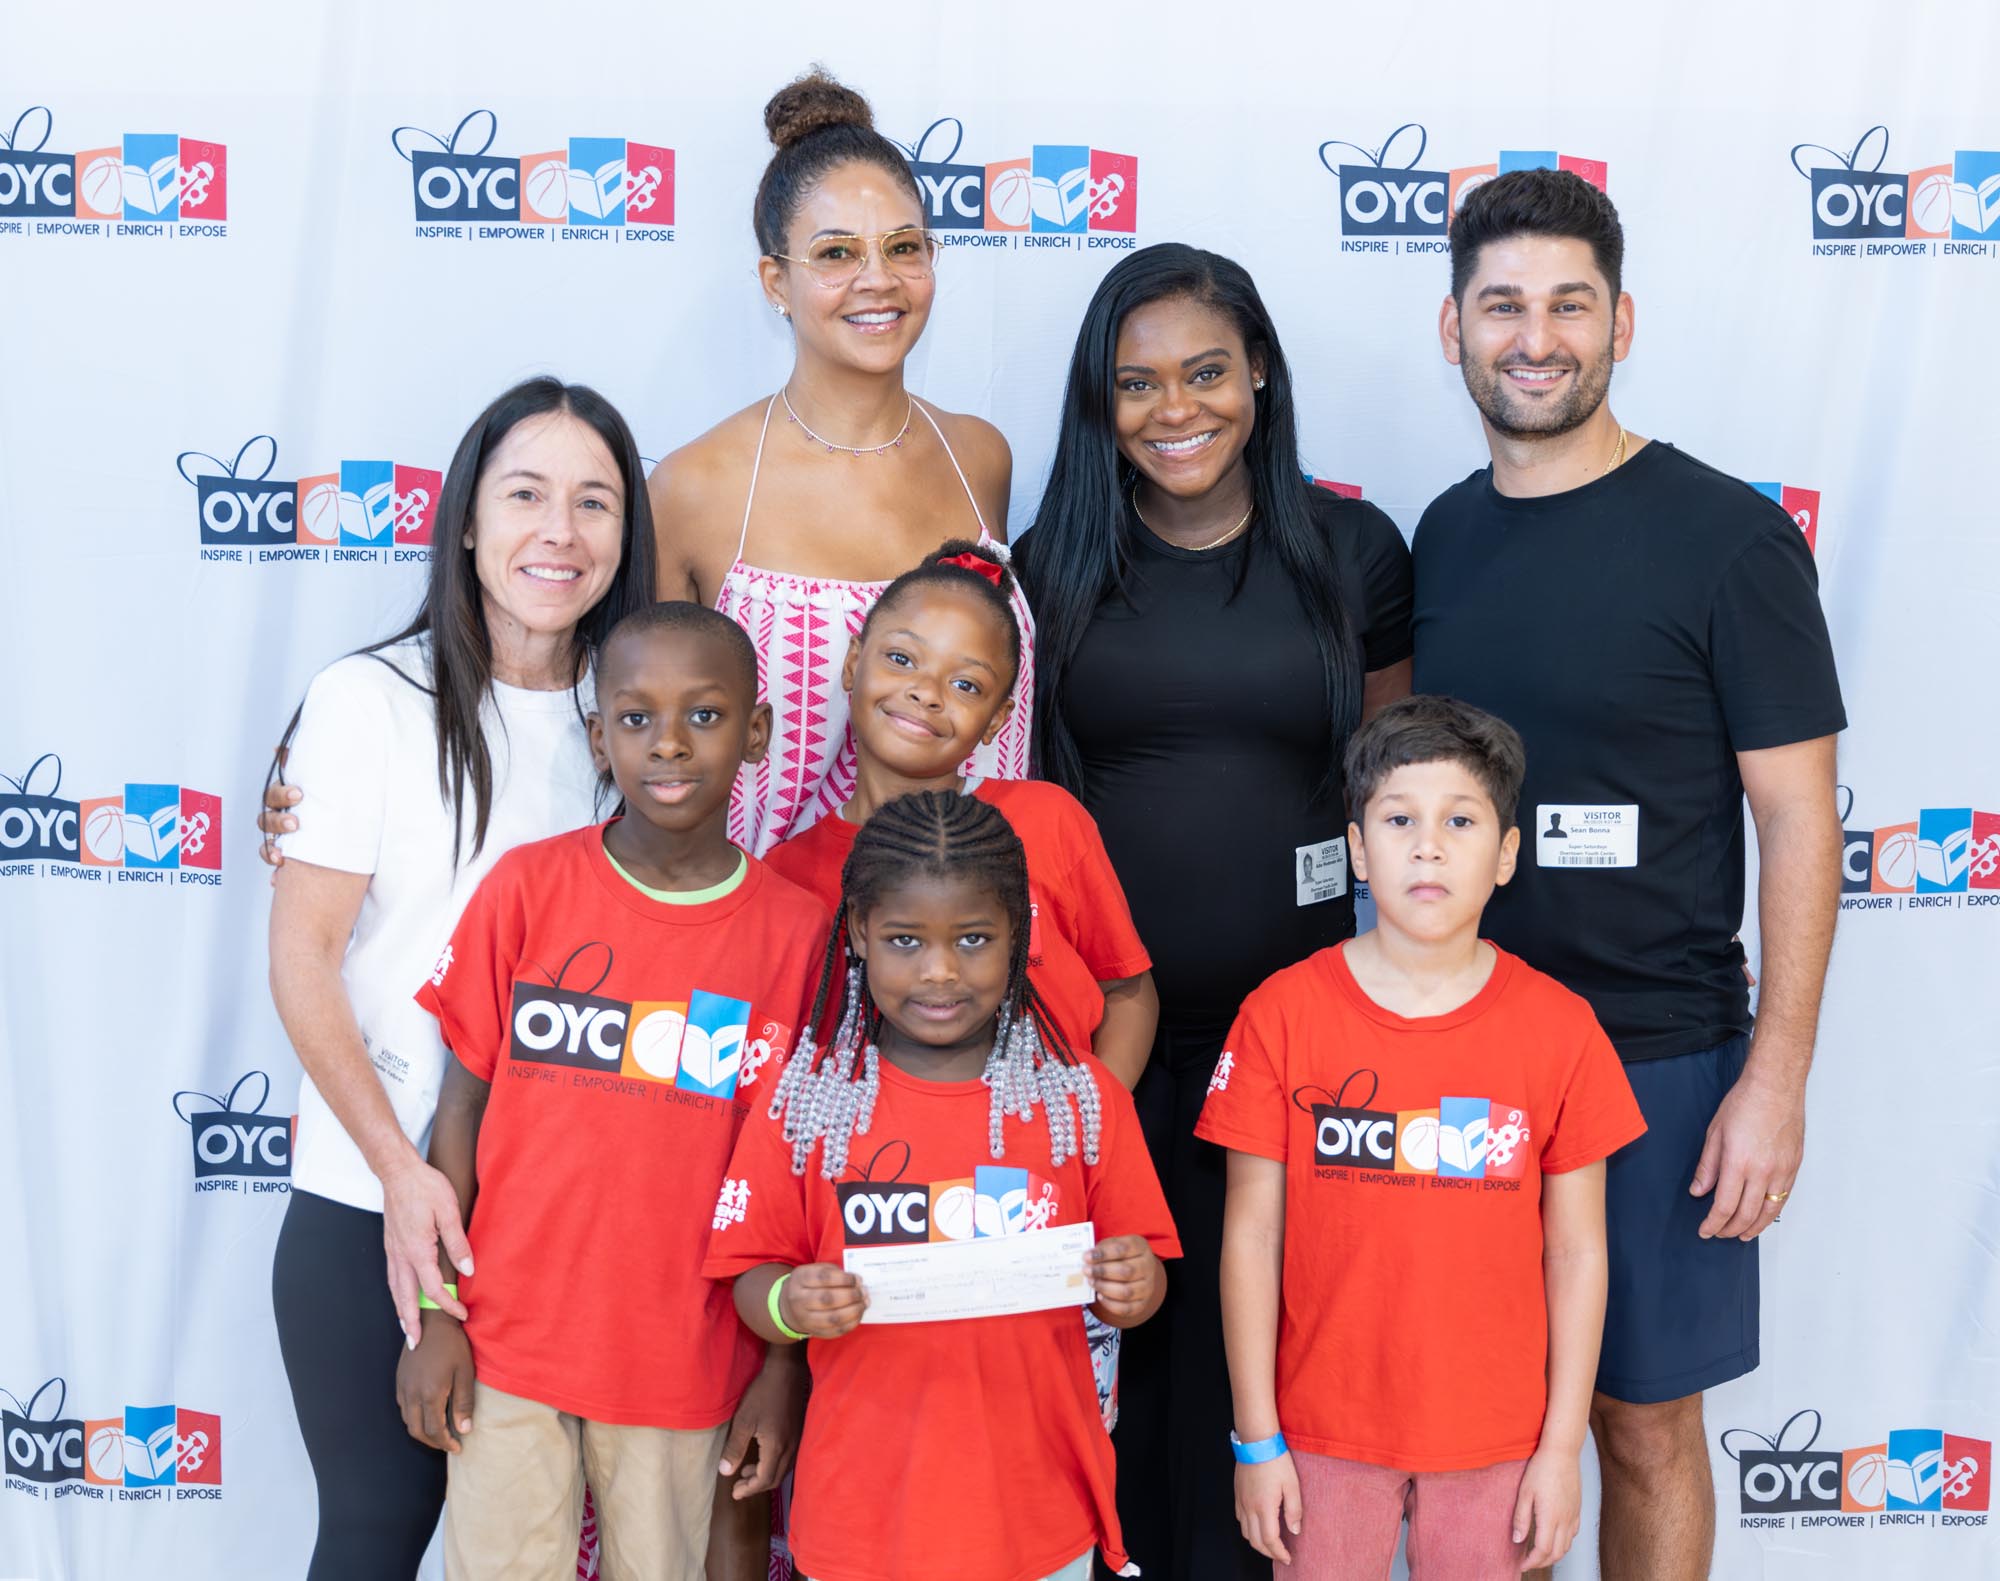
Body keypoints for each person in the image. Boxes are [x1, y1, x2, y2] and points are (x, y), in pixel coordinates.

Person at [1413, 169, 1845, 1581]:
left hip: (1660, 1061)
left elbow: (1799, 821)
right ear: (1452, 329)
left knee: (1645, 1426)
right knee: (1484, 1430)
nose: (1534, 338)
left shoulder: (1728, 539)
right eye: (1503, 306)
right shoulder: (1445, 534)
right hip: (1463, 1059)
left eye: (1567, 305)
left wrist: (1771, 1081)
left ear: (1622, 322)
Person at [1014, 243, 1414, 1581]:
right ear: (1098, 400)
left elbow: (1400, 795)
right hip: (1104, 1049)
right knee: (1126, 1367)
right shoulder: (1049, 563)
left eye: (1203, 372)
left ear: (1259, 373)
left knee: (1270, 1386)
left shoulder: (1355, 552)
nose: (1174, 408)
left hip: (1296, 1049)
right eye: (1136, 384)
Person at [265, 378, 663, 1577]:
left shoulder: (637, 722)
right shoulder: (366, 701)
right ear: (469, 523)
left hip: (560, 1222)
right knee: (378, 1539)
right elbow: (303, 960)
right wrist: (398, 1172)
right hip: (370, 1205)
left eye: (594, 503)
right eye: (526, 495)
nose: (560, 531)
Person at [402, 603, 829, 1579]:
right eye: (634, 718)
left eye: (705, 715)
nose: (668, 743)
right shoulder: (528, 888)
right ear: (599, 737)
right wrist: (436, 1317)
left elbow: (795, 1182)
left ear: (756, 731)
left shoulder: (797, 938)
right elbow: (457, 1118)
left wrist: (779, 1367)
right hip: (507, 1350)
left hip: (687, 1362)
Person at [1201, 695, 1646, 1579]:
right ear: (1360, 849)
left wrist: (1561, 1450)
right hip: (1321, 1432)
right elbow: (1251, 1233)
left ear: (1506, 853)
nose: (1429, 845)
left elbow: (1577, 1251)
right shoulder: (1280, 1014)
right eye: (1400, 819)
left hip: (1497, 1440)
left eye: (1461, 820)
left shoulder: (1562, 1029)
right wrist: (1257, 1438)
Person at [703, 791, 1182, 1581]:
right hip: (863, 1521)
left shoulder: (1079, 1097)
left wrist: (1134, 1284)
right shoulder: (806, 1103)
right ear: (858, 932)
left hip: (1037, 1517)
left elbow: (1139, 1274)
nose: (940, 970)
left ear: (1018, 937)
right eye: (903, 939)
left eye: (973, 938)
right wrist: (792, 1303)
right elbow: (752, 1275)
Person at [650, 68, 1034, 856]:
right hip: (774, 948)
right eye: (835, 253)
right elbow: (648, 737)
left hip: (972, 938)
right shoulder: (697, 488)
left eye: (903, 247)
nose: (877, 280)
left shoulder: (980, 457)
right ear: (776, 282)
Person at [764, 538, 1156, 1087]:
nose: (926, 693)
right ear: (854, 663)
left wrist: (1097, 1123)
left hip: (1049, 1155)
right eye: (901, 659)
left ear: (996, 720)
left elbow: (1128, 991)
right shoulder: (785, 874)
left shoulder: (1048, 821)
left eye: (965, 684)